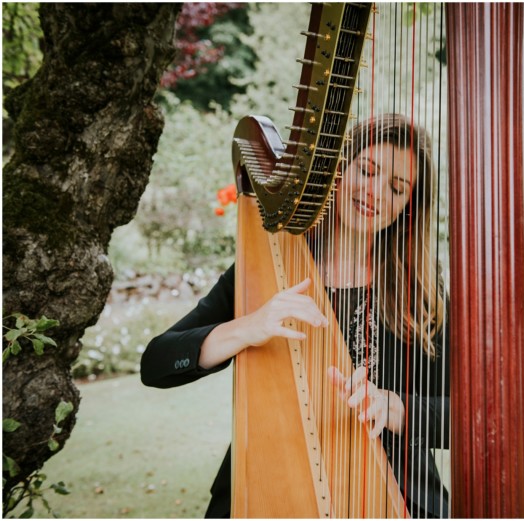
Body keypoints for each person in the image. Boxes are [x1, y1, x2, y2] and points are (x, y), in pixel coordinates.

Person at [141, 113, 450, 518]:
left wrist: (394, 406)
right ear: (336, 173)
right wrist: (248, 327)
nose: (375, 191)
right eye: (367, 170)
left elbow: (464, 418)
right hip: (268, 478)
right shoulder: (263, 270)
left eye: (396, 187)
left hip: (397, 491)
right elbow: (156, 364)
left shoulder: (420, 292)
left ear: (407, 207)